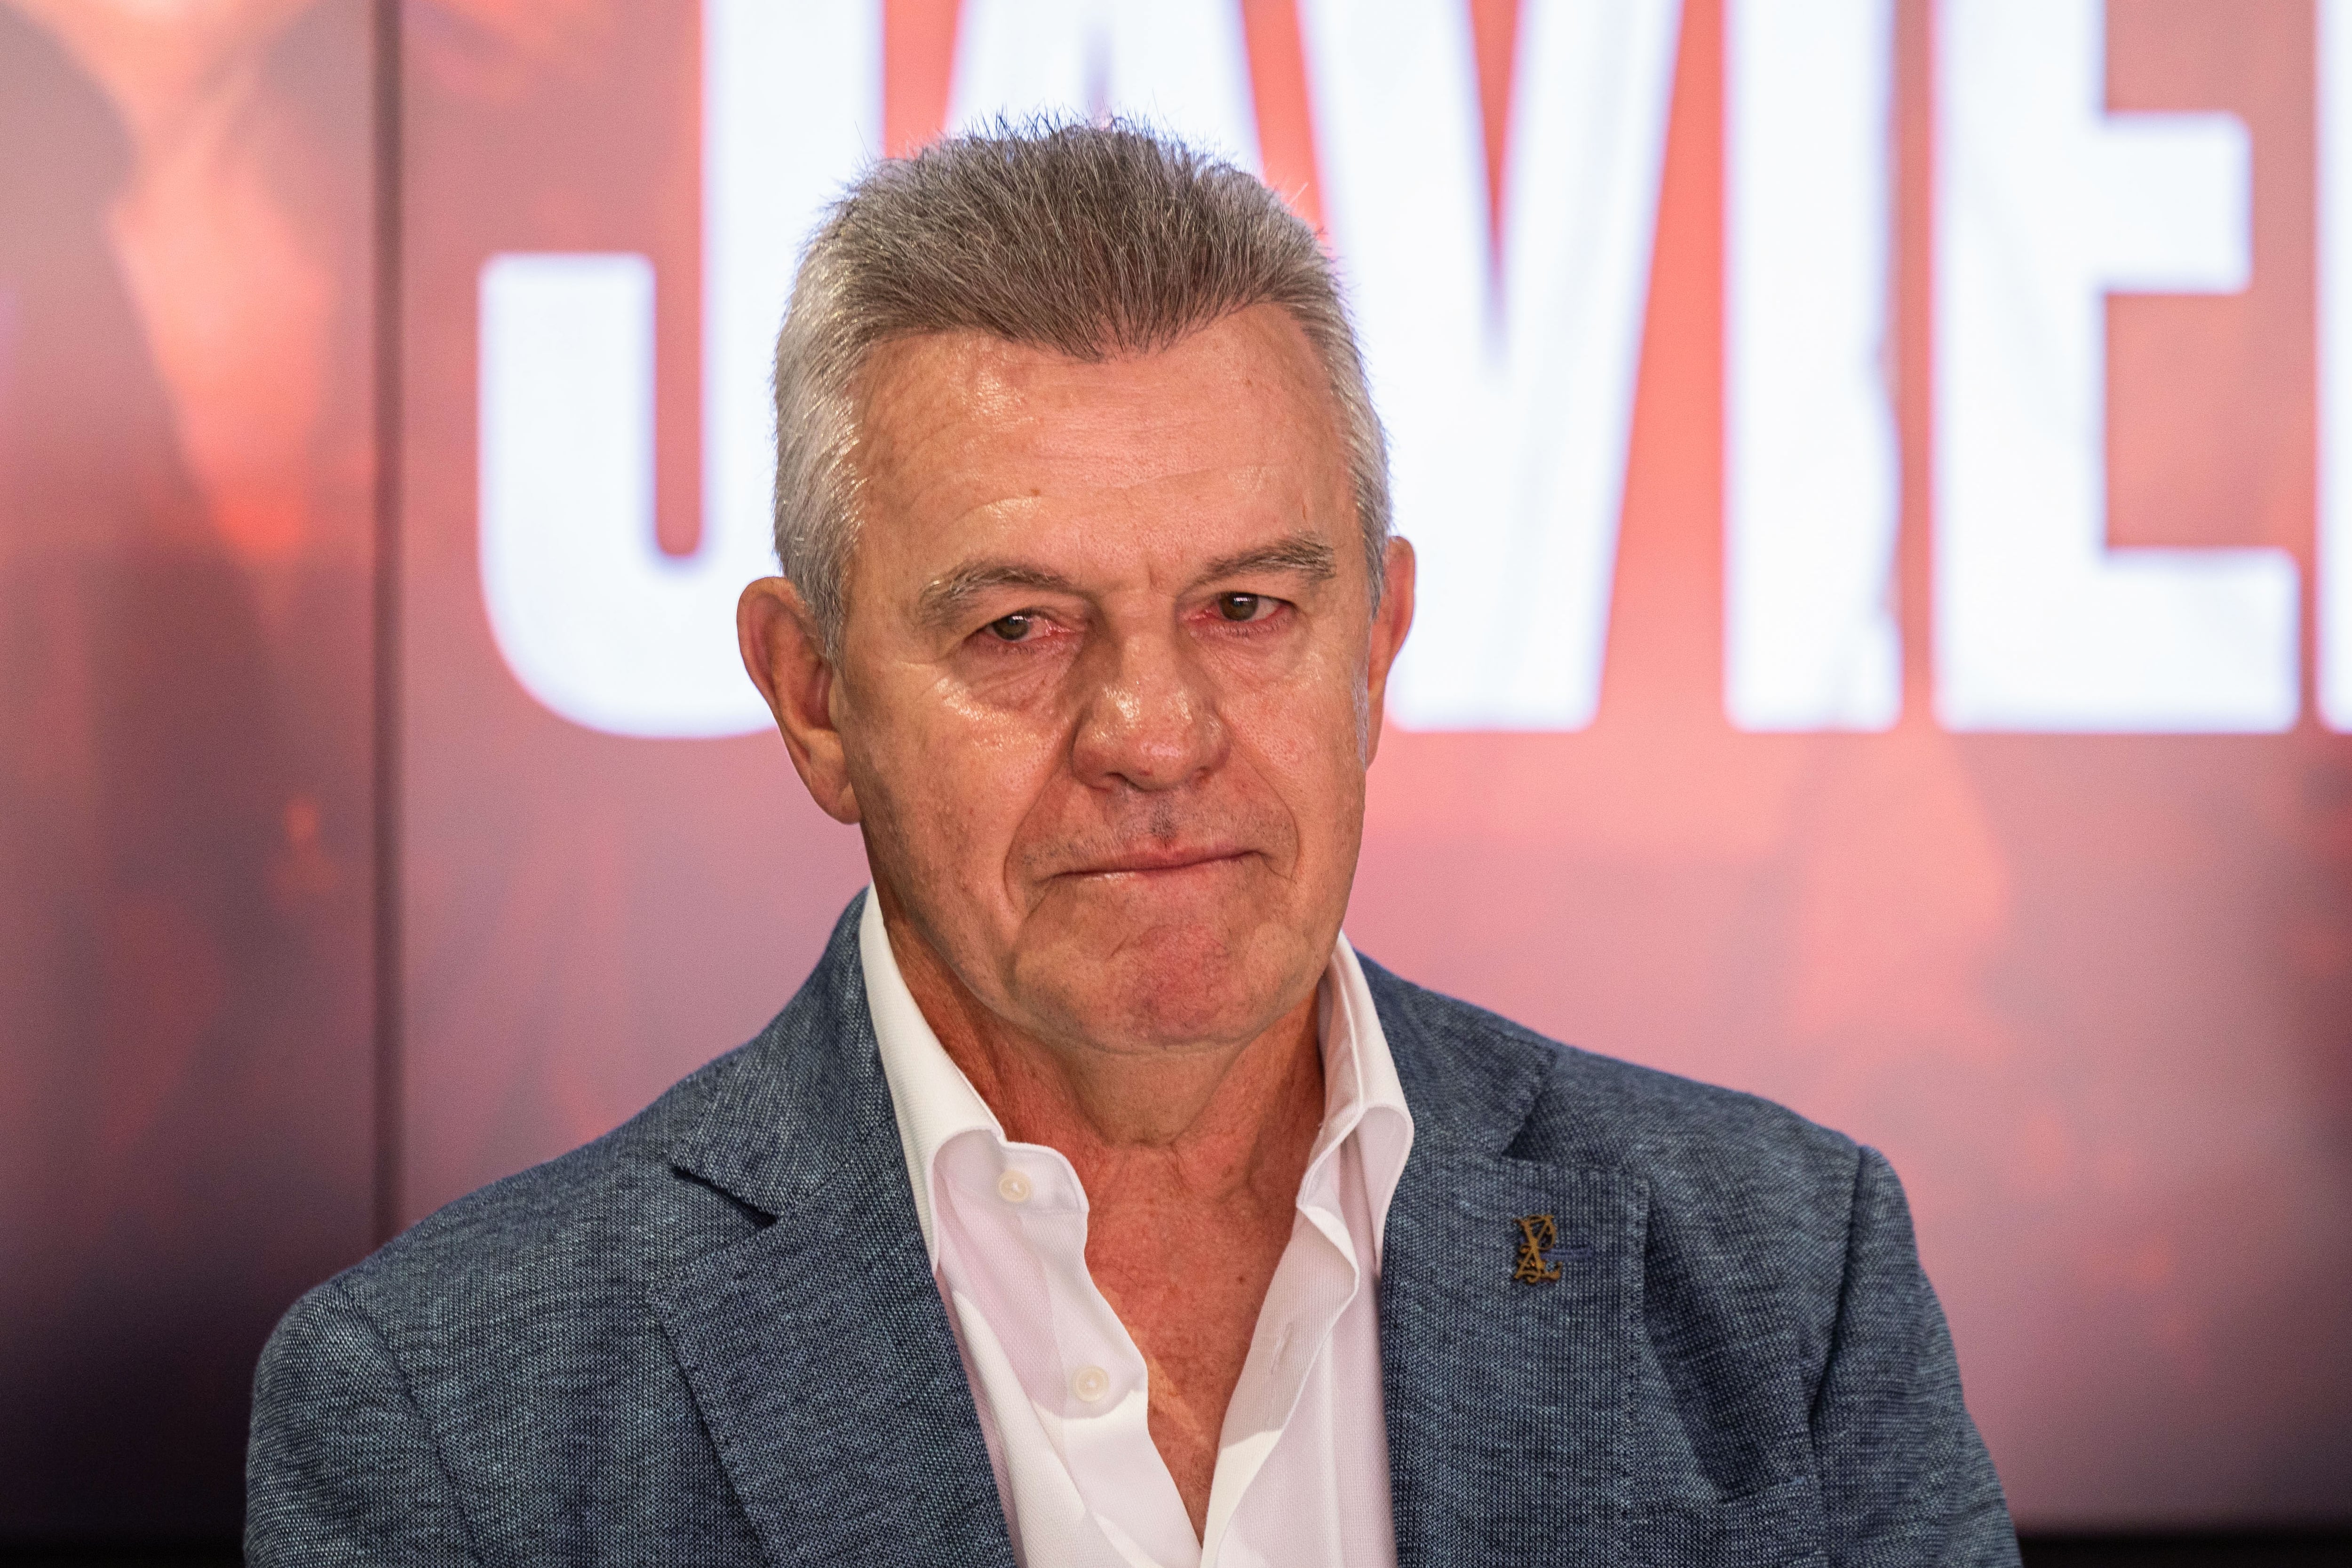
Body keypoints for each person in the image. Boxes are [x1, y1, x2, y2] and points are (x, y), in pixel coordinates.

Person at [246, 122, 2018, 1568]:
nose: (1154, 733)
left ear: (1376, 649)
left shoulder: (1784, 1278)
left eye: (1247, 606)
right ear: (814, 698)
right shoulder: (448, 1417)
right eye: (1019, 627)